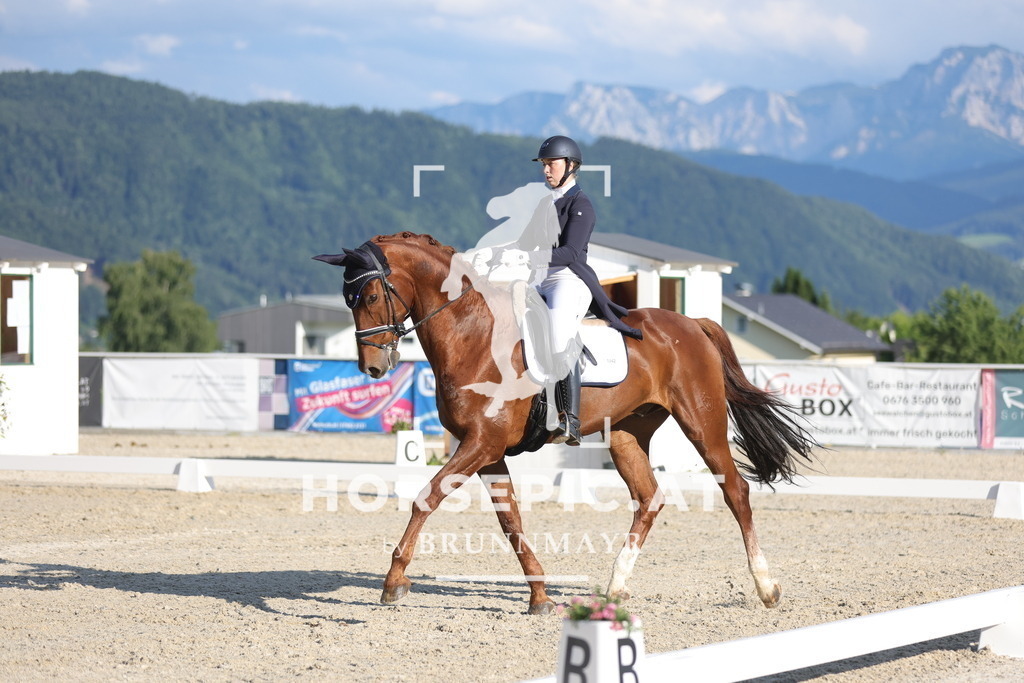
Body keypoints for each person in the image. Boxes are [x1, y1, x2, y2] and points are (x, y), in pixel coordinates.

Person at [519, 135, 643, 445]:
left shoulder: (581, 204)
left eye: (551, 164)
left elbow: (571, 253)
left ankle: (570, 419)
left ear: (571, 166)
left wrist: (530, 257)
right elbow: (524, 242)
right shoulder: (545, 204)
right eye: (544, 164)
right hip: (540, 279)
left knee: (560, 334)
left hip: (568, 280)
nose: (546, 170)